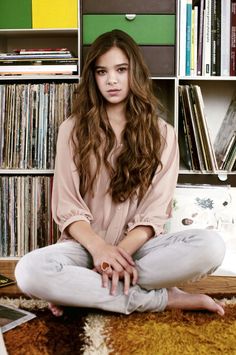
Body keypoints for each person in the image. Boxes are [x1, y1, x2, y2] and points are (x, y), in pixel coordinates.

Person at [15, 29, 226, 317]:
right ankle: (161, 299)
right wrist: (100, 252)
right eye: (102, 72)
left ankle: (84, 292)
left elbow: (154, 215)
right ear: (94, 78)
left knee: (211, 247)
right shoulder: (72, 130)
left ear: (134, 73)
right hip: (83, 248)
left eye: (121, 70)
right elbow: (67, 207)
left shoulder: (163, 135)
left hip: (138, 251)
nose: (111, 80)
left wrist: (112, 260)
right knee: (28, 271)